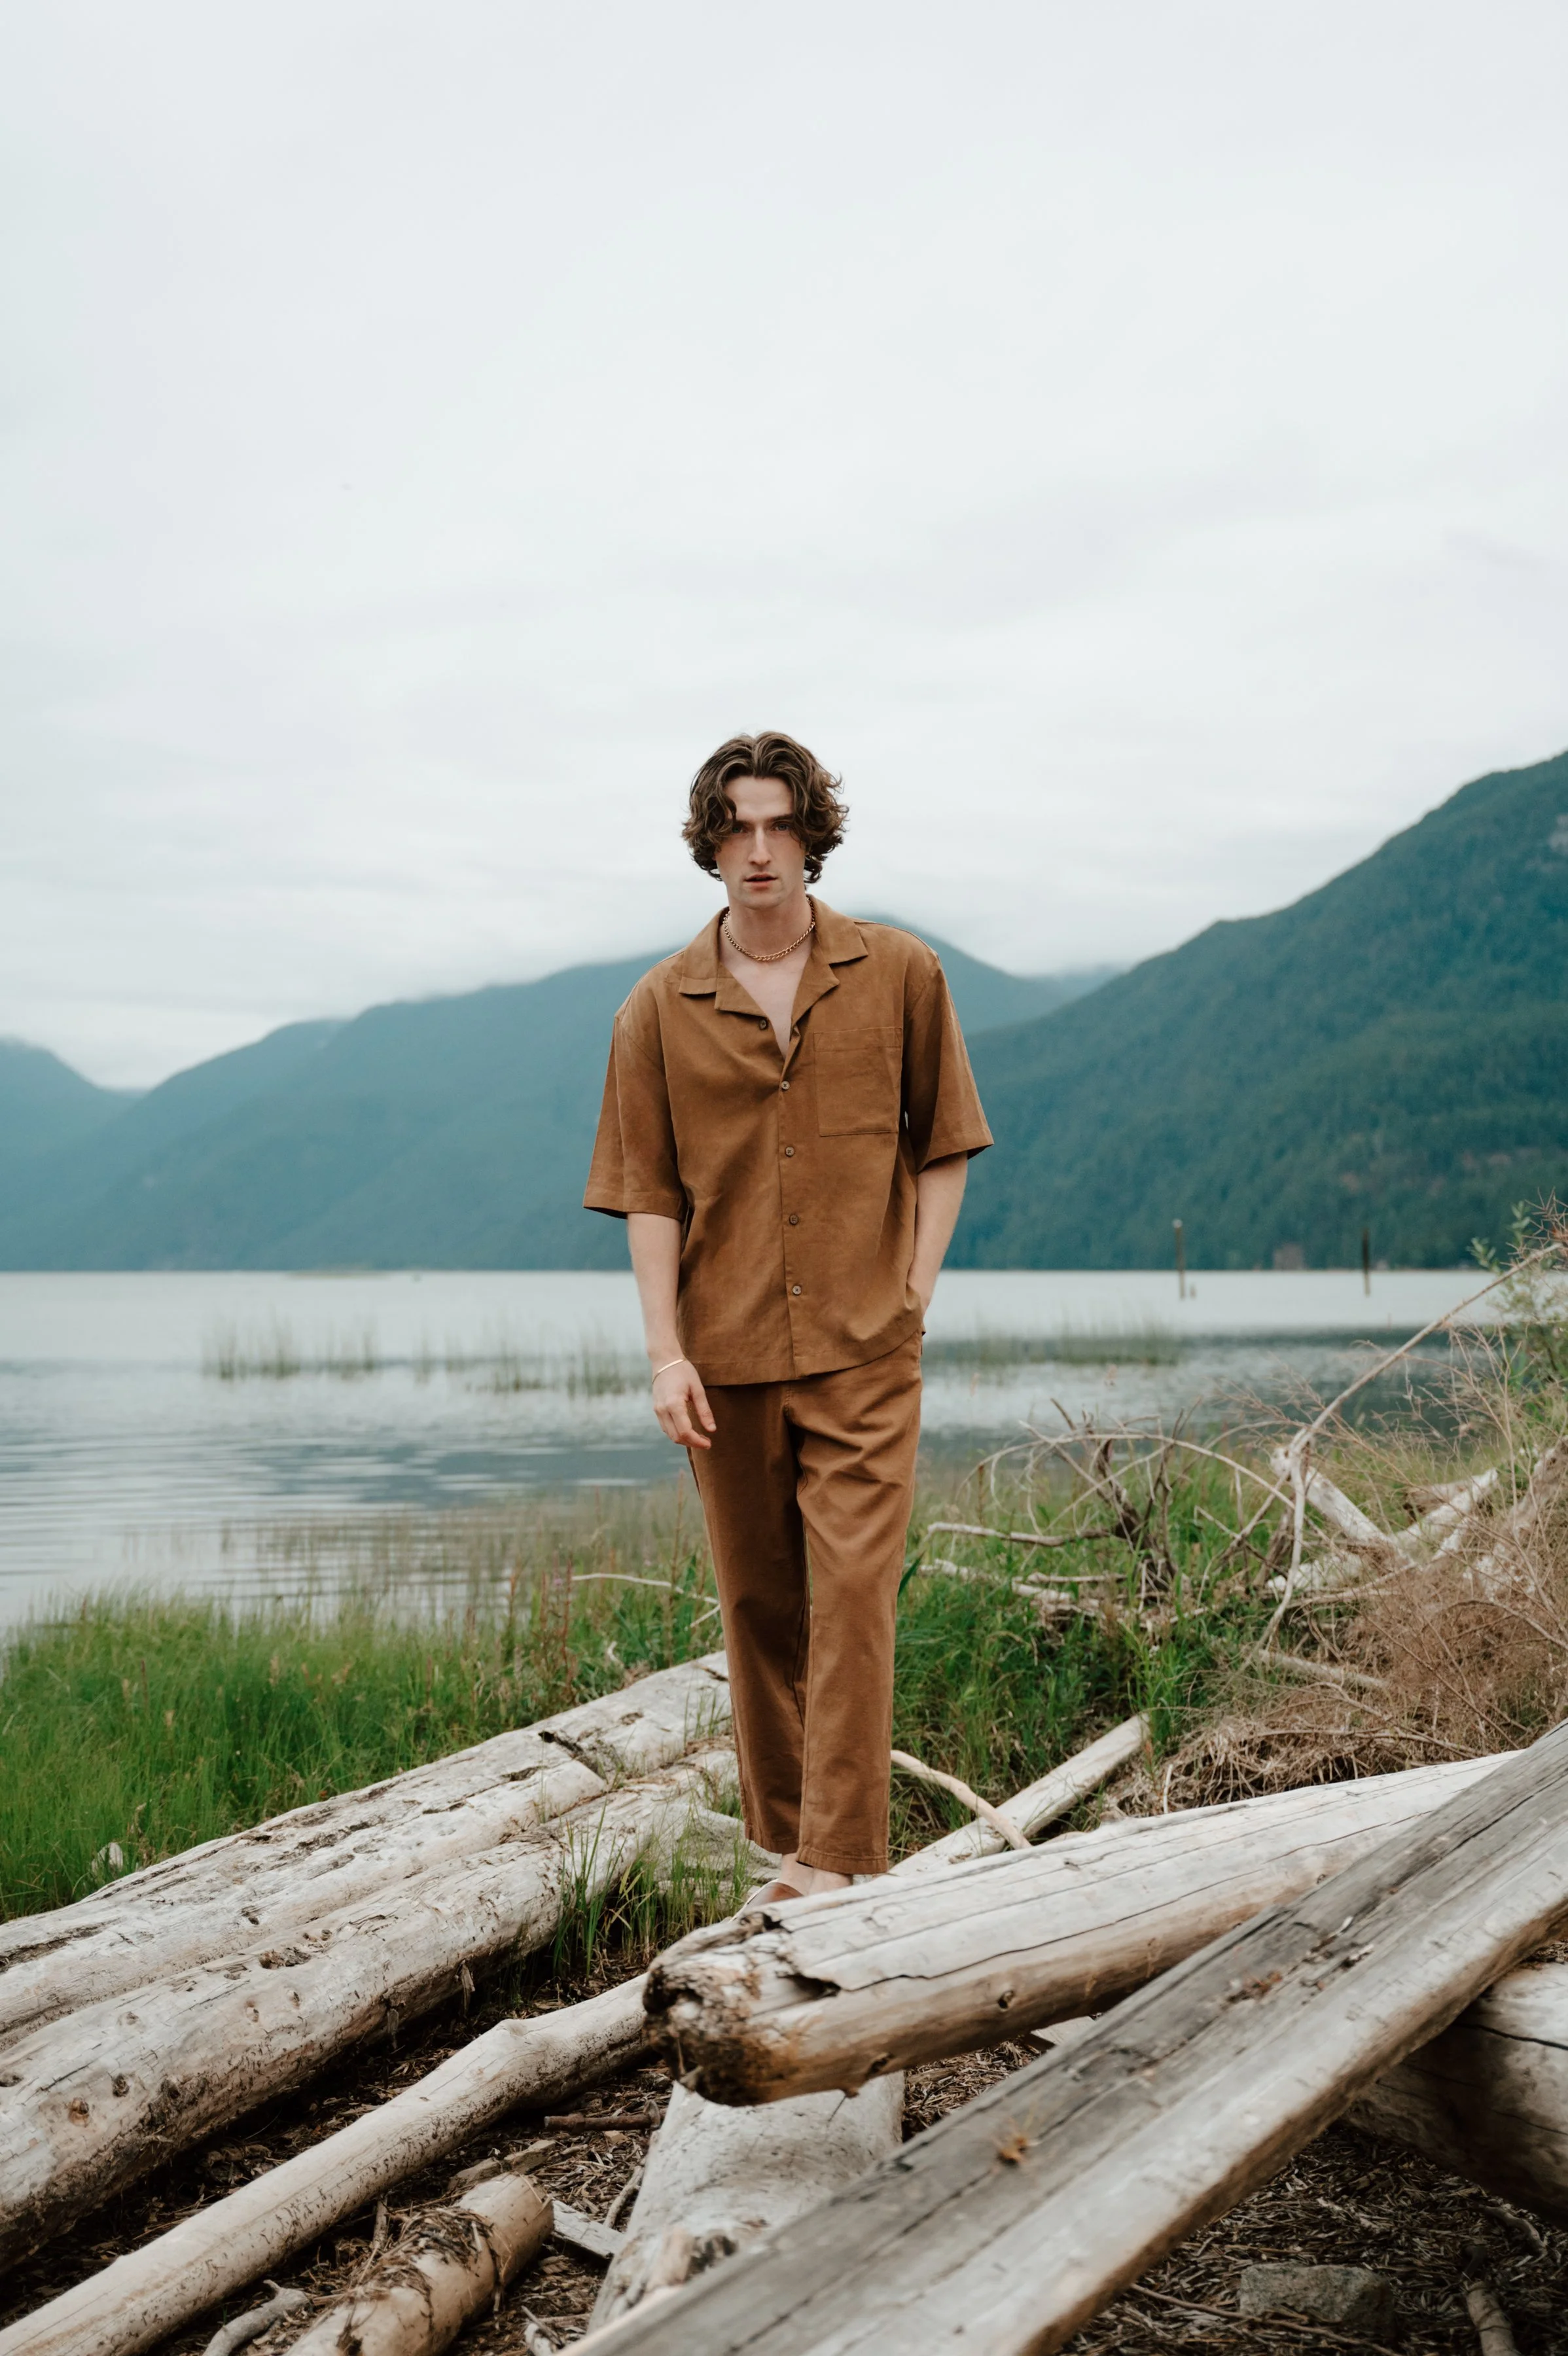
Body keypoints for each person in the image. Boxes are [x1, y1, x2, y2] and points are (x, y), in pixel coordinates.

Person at [584, 732, 991, 1901]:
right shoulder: (657, 1008)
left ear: (813, 834)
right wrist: (667, 1356)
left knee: (855, 1600)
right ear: (710, 844)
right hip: (729, 1355)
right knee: (761, 1609)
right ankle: (784, 1847)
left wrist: (912, 1292)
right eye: (737, 828)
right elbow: (648, 1197)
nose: (760, 851)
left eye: (780, 825)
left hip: (867, 1349)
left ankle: (839, 1863)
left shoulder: (903, 975)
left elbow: (945, 1144)